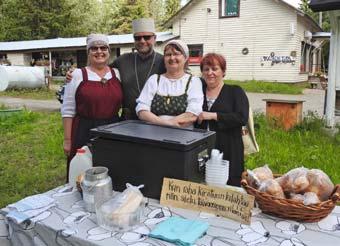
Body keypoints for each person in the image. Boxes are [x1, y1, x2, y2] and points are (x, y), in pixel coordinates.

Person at [65, 18, 166, 120]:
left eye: (147, 37)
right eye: (138, 38)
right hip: (127, 121)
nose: (142, 41)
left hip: (155, 120)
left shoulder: (164, 62)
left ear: (154, 38)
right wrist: (75, 72)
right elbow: (99, 68)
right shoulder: (123, 60)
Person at [61, 34, 123, 178]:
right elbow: (68, 109)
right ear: (88, 52)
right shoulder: (77, 75)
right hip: (84, 129)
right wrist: (67, 139)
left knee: (111, 169)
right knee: (83, 172)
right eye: (94, 48)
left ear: (109, 51)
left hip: (112, 128)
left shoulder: (117, 73)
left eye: (103, 48)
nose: (99, 51)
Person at [196, 53, 249, 187]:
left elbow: (242, 117)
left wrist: (214, 115)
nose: (210, 73)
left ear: (223, 71)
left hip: (229, 148)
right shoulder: (197, 91)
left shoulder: (235, 91)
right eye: (206, 69)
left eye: (215, 69)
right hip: (203, 149)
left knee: (229, 187)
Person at [136, 39, 203, 127]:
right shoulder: (154, 80)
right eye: (168, 55)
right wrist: (166, 123)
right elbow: (142, 109)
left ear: (185, 58)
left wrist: (168, 125)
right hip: (154, 133)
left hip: (183, 134)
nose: (172, 58)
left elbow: (193, 113)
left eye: (176, 54)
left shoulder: (193, 81)